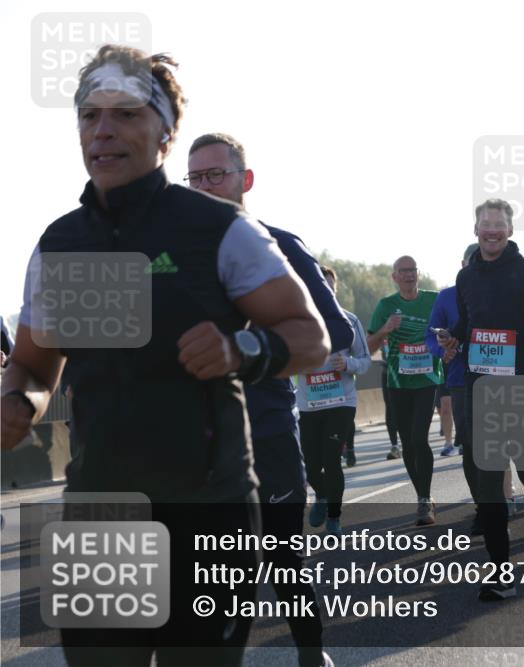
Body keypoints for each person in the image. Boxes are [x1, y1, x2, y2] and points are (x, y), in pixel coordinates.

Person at [1, 45, 330, 666]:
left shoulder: (217, 229)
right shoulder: (62, 244)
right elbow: (37, 367)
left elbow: (309, 336)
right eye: (89, 115)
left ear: (165, 134)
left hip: (208, 512)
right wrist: (18, 400)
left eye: (125, 113)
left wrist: (243, 348)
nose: (103, 129)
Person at [186, 132, 349, 667]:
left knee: (283, 558)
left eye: (217, 175)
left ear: (245, 180)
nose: (205, 187)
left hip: (268, 429)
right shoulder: (174, 258)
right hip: (199, 437)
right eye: (195, 178)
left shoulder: (279, 245)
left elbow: (334, 333)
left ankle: (311, 654)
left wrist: (251, 343)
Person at [438, 198, 524, 601]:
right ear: (475, 230)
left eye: (499, 224)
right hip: (482, 389)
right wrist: (454, 337)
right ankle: (499, 570)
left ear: (510, 230)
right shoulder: (467, 277)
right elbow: (468, 319)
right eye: (485, 224)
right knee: (489, 479)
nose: (491, 230)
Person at [367, 257, 443, 525]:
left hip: (428, 380)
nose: (409, 275)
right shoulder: (385, 306)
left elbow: (452, 329)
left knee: (419, 438)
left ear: (418, 274)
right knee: (408, 442)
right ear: (394, 277)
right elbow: (369, 346)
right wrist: (386, 329)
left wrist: (445, 338)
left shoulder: (434, 300)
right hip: (397, 383)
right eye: (403, 271)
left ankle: (424, 499)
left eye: (412, 270)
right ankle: (423, 496)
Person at [298, 265, 371, 538]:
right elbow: (284, 359)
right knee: (309, 464)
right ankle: (322, 495)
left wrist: (347, 362)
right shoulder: (300, 323)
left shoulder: (349, 321)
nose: (324, 291)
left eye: (328, 287)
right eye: (319, 286)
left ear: (334, 290)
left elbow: (365, 361)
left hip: (341, 401)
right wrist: (299, 364)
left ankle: (334, 518)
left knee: (331, 459)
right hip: (309, 403)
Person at [426, 243, 480, 531]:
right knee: (471, 446)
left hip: (500, 379)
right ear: (463, 265)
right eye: (471, 262)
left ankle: (503, 497)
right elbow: (430, 335)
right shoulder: (446, 296)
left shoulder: (502, 294)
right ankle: (484, 505)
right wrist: (441, 349)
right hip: (460, 381)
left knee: (499, 446)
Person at [380, 341, 401, 459]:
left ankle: (412, 441)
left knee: (406, 407)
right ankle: (395, 445)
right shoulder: (382, 323)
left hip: (406, 368)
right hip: (387, 370)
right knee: (389, 407)